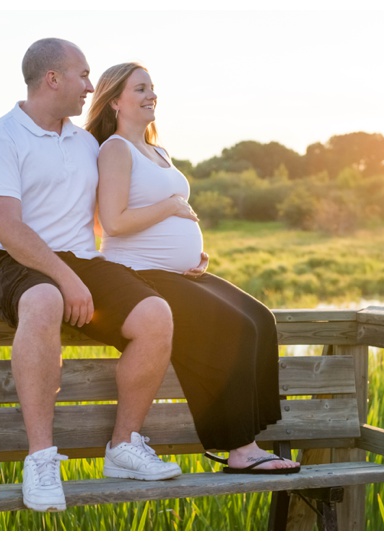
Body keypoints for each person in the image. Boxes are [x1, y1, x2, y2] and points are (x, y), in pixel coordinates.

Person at [0, 40, 182, 513]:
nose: (90, 86)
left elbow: (108, 216)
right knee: (43, 300)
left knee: (154, 315)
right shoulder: (0, 138)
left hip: (77, 262)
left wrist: (179, 251)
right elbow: (6, 225)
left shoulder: (85, 143)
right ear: (52, 79)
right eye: (83, 76)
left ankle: (124, 447)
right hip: (5, 261)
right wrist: (66, 277)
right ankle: (42, 459)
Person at [85, 62, 301, 474]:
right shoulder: (115, 149)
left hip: (178, 271)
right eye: (140, 89)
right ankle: (240, 448)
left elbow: (165, 211)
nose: (152, 95)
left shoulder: (157, 149)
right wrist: (170, 209)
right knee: (230, 327)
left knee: (259, 318)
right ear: (114, 101)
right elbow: (112, 222)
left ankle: (254, 437)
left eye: (153, 88)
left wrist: (191, 252)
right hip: (137, 273)